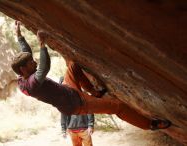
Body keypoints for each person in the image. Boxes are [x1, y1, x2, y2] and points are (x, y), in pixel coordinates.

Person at [11, 21, 171, 131]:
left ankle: (94, 92)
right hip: (76, 103)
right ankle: (150, 125)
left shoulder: (23, 76)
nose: (34, 62)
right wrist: (42, 44)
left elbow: (26, 55)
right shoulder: (31, 84)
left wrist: (19, 35)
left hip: (68, 90)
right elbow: (44, 68)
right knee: (118, 107)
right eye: (31, 63)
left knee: (73, 66)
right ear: (24, 70)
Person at [60, 77, 95, 146]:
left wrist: (90, 125)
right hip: (72, 131)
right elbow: (63, 115)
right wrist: (63, 129)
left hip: (84, 130)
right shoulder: (63, 100)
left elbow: (89, 110)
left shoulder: (82, 94)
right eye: (62, 85)